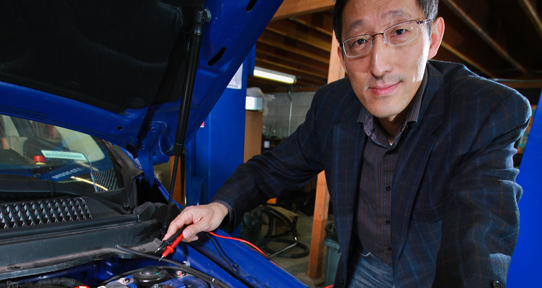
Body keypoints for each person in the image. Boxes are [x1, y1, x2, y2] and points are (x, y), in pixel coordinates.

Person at [165, 0, 532, 286]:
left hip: (431, 275)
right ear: (342, 55)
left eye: (400, 31)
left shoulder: (484, 109)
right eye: (359, 41)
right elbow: (275, 167)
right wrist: (220, 206)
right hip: (363, 267)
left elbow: (479, 230)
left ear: (433, 38)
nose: (378, 65)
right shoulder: (333, 105)